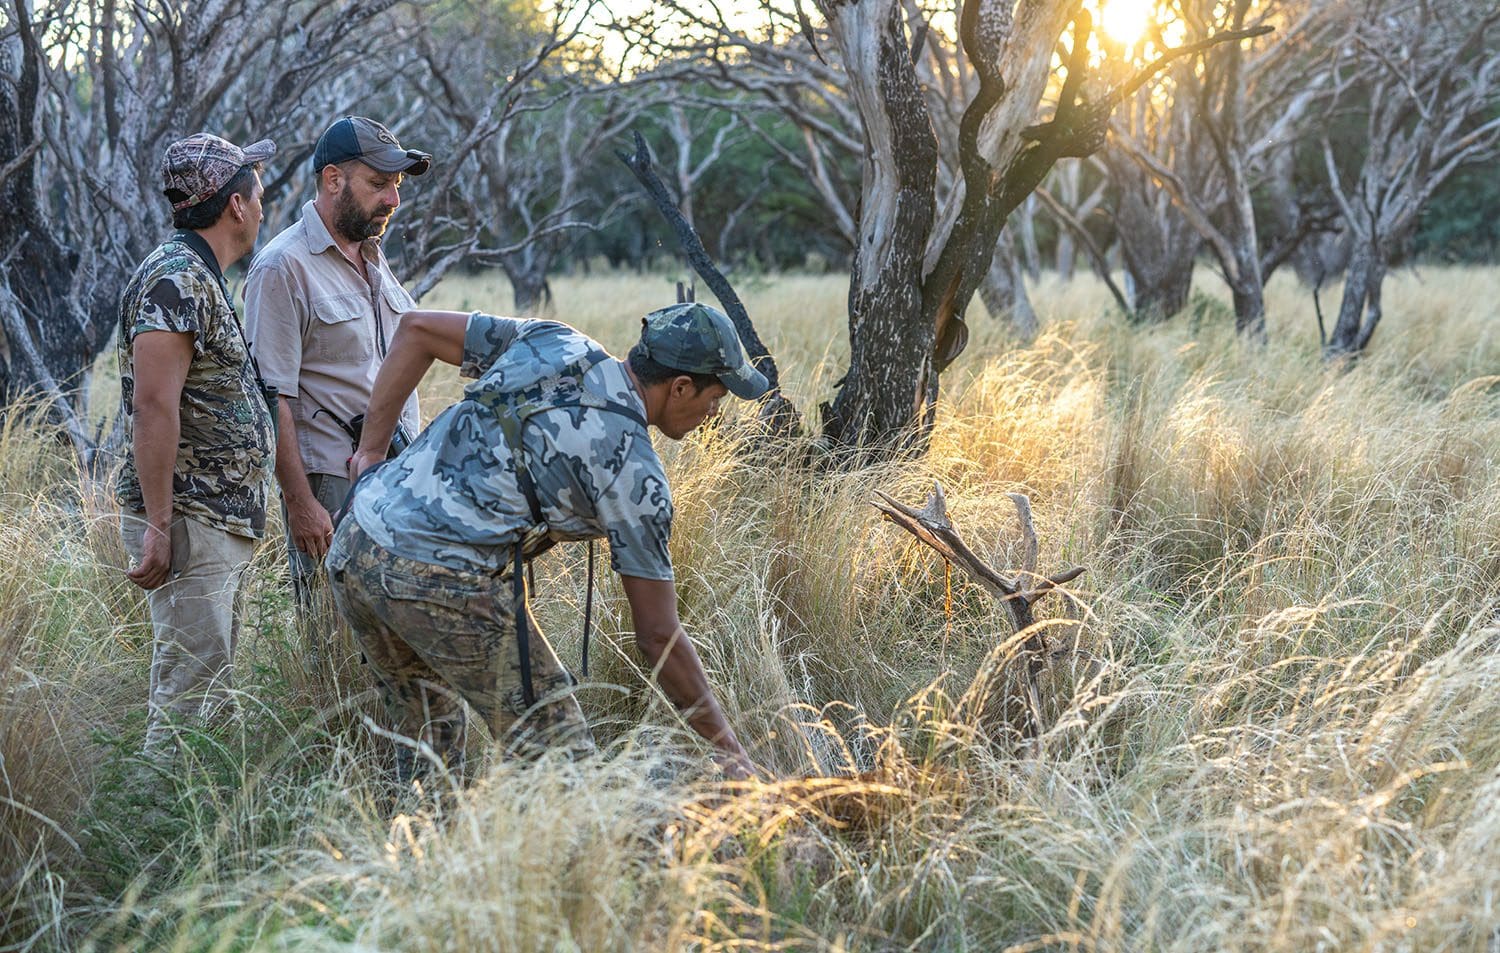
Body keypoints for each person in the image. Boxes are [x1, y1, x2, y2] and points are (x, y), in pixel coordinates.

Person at [327, 302, 765, 782]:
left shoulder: (555, 341)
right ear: (681, 387)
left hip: (357, 543)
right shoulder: (636, 476)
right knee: (565, 769)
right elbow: (658, 636)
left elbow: (417, 329)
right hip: (435, 577)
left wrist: (370, 451)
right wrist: (730, 750)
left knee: (430, 748)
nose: (713, 413)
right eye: (715, 398)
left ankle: (416, 848)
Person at [242, 116, 431, 659]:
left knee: (396, 641)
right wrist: (301, 503)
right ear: (332, 180)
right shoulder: (282, 267)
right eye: (379, 184)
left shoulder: (372, 256)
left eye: (397, 185)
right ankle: (332, 743)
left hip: (393, 476)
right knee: (337, 645)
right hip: (331, 484)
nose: (393, 198)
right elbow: (268, 396)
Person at [117, 133, 277, 758]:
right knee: (189, 697)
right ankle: (154, 841)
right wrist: (160, 525)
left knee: (208, 694)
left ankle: (198, 837)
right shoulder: (174, 278)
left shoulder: (197, 277)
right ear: (235, 206)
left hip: (209, 520)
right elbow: (152, 407)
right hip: (187, 521)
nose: (263, 205)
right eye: (257, 192)